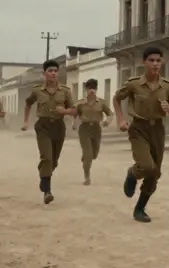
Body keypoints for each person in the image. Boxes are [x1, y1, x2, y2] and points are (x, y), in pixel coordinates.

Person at [113, 47, 169, 223]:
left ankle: (140, 209)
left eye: (158, 60)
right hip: (139, 128)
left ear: (162, 62)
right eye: (151, 60)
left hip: (157, 130)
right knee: (146, 166)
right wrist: (120, 119)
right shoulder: (134, 84)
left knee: (155, 173)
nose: (155, 64)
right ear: (144, 62)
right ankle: (132, 173)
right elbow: (116, 98)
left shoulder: (167, 86)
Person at [21, 60, 76, 204]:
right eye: (50, 71)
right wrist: (25, 121)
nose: (53, 73)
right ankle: (47, 191)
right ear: (44, 73)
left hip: (59, 127)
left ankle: (43, 175)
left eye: (55, 71)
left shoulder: (65, 91)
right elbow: (28, 103)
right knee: (47, 157)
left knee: (54, 162)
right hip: (43, 126)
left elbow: (74, 110)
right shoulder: (37, 90)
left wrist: (65, 111)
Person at [72, 78, 112, 186]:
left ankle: (86, 156)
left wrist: (107, 121)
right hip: (84, 129)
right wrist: (74, 123)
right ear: (86, 89)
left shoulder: (101, 102)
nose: (92, 90)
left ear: (96, 89)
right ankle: (87, 176)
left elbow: (110, 113)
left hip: (96, 129)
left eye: (94, 88)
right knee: (89, 155)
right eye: (90, 88)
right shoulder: (80, 103)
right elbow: (75, 114)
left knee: (94, 154)